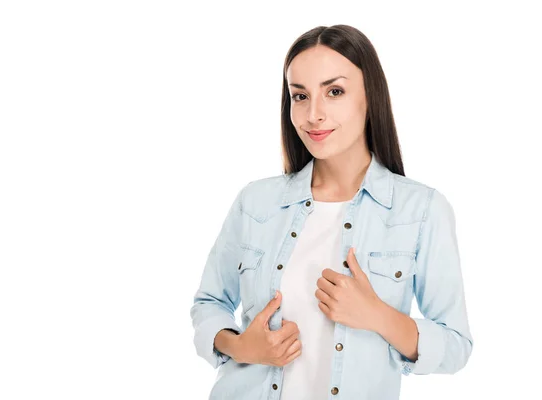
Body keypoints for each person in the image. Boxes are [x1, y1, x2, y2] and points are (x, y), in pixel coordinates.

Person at [190, 24, 473, 400]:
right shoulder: (255, 202)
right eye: (300, 96)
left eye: (334, 91)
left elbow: (455, 345)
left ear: (370, 96)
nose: (314, 114)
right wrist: (244, 347)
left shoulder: (421, 210)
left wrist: (378, 315)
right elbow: (209, 304)